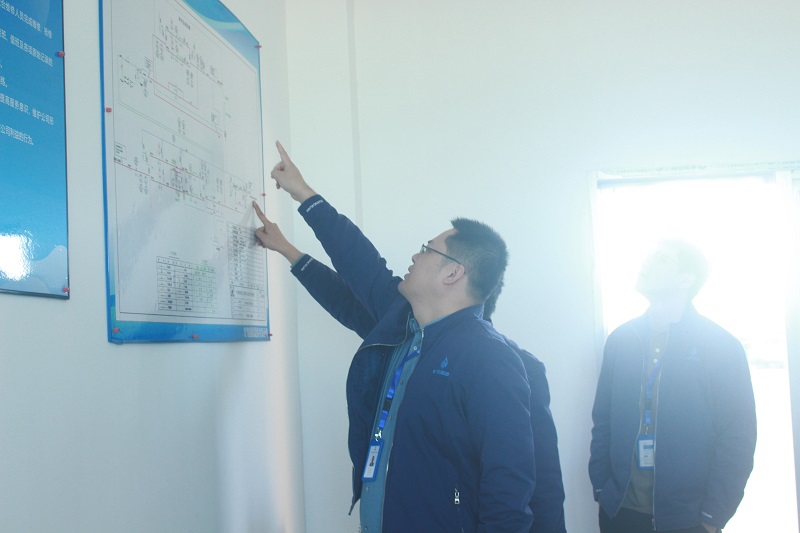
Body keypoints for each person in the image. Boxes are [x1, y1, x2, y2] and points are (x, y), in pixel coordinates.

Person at [257, 141, 536, 533]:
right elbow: (357, 274)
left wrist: (304, 196)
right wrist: (293, 231)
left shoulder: (490, 360)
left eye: (428, 250)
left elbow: (508, 495)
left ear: (453, 273)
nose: (416, 256)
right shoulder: (407, 329)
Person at [589, 240, 757, 533]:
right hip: (621, 514)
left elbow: (738, 437)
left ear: (685, 279)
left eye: (661, 258)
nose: (647, 261)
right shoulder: (621, 340)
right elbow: (603, 420)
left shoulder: (720, 346)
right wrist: (603, 491)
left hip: (688, 520)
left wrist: (712, 517)